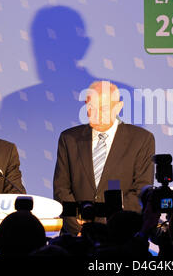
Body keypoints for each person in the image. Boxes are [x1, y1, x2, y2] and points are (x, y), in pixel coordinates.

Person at [53, 81, 155, 236]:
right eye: (90, 107)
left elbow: (141, 190)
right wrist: (77, 226)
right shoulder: (69, 138)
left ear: (118, 107)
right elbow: (61, 188)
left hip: (122, 235)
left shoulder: (141, 139)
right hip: (77, 237)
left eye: (103, 108)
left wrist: (106, 226)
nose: (95, 115)